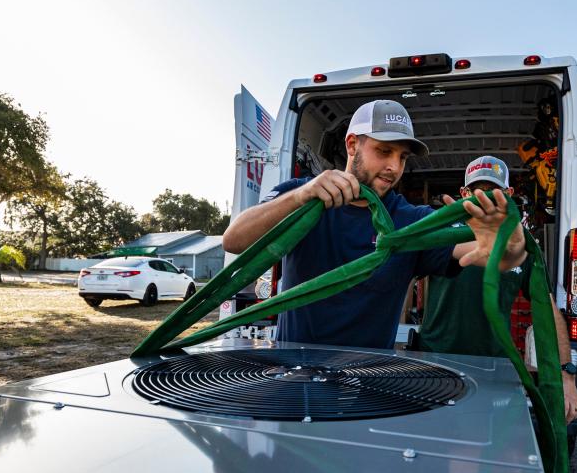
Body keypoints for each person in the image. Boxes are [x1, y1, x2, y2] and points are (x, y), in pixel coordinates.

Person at [223, 99, 527, 350]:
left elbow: (493, 256)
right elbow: (234, 240)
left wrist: (509, 247)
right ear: (353, 144)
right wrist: (301, 196)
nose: (394, 167)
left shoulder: (410, 220)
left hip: (369, 386)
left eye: (402, 156)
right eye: (384, 151)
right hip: (295, 374)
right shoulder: (302, 196)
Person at [417, 155, 577, 423]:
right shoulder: (442, 230)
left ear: (509, 194)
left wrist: (566, 376)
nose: (485, 199)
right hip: (437, 361)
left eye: (493, 192)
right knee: (433, 440)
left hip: (493, 365)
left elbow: (547, 313)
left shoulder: (522, 246)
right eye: (477, 192)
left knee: (481, 442)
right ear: (463, 193)